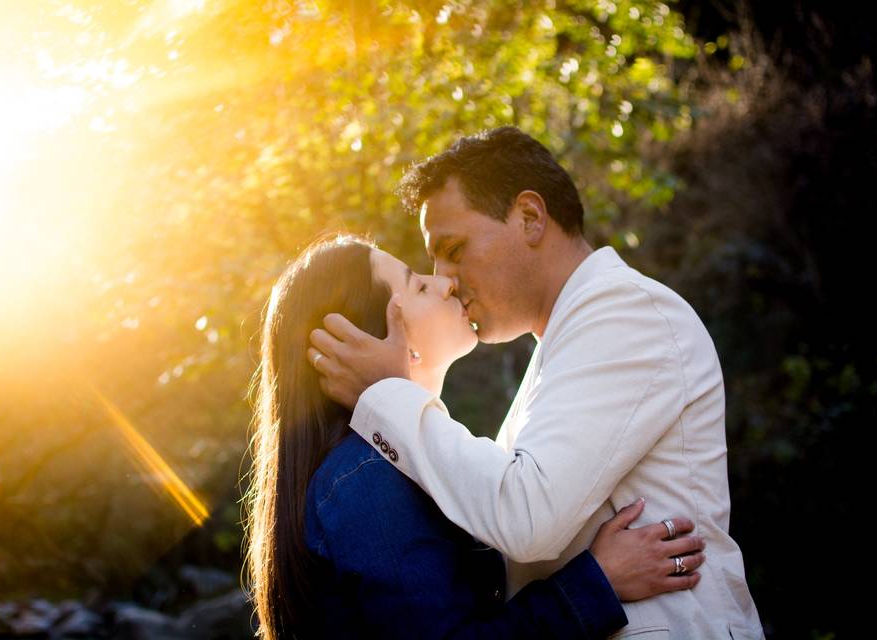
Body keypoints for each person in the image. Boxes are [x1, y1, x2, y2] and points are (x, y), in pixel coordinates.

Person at [308, 128, 766, 639]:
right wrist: (597, 580)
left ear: (529, 217)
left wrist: (388, 393)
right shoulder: (558, 348)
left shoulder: (627, 314)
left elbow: (526, 519)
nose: (446, 279)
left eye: (455, 249)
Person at [246, 234, 708, 639]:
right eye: (418, 284)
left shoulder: (395, 466)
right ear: (378, 333)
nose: (445, 283)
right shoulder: (366, 481)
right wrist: (597, 581)